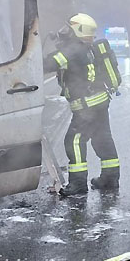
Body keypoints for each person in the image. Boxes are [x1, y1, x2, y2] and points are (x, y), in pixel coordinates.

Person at [44, 13, 120, 196]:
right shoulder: (87, 47)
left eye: (68, 28)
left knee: (74, 141)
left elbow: (50, 64)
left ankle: (78, 183)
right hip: (100, 100)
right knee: (102, 138)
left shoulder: (73, 49)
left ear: (77, 30)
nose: (64, 31)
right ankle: (110, 178)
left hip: (87, 106)